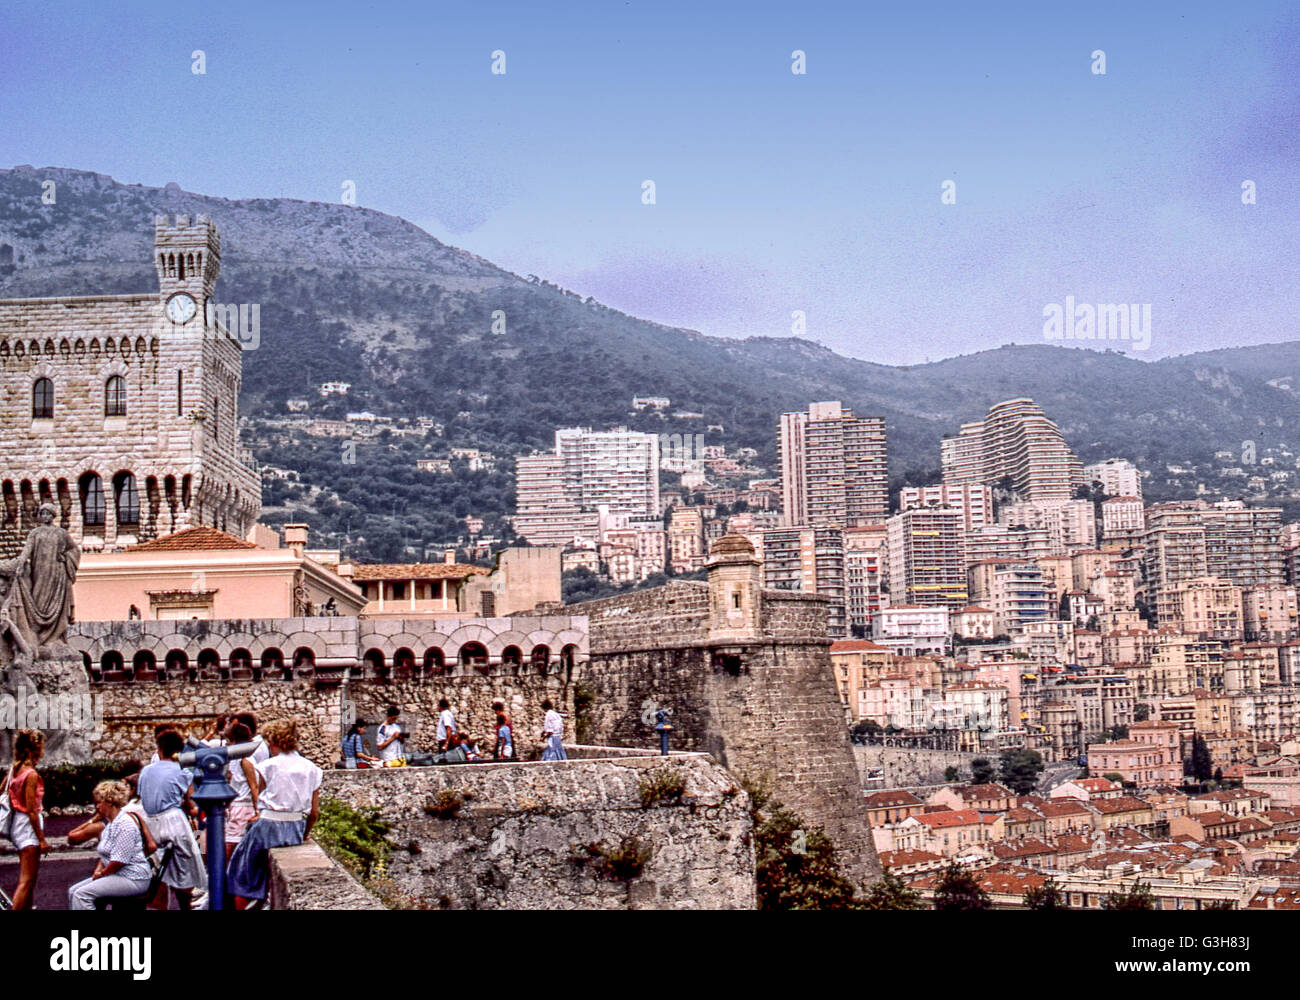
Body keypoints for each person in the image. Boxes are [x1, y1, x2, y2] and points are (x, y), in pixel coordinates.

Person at [226, 719, 322, 909]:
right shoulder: (312, 769)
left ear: (274, 742)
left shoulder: (268, 766)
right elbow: (313, 813)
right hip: (294, 826)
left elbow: (260, 797)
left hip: (268, 825)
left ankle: (247, 902)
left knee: (242, 870)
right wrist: (304, 833)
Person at [138, 729, 206, 910]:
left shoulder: (145, 771)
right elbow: (190, 803)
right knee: (185, 865)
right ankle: (186, 905)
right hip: (173, 820)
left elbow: (143, 796)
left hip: (150, 820)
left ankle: (159, 906)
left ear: (159, 749)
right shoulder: (182, 772)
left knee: (156, 867)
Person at [66, 780, 154, 910]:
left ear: (109, 801)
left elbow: (119, 861)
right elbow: (106, 854)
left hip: (133, 878)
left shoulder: (125, 824)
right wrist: (98, 869)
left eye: (98, 803)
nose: (96, 807)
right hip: (119, 875)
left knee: (81, 895)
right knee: (73, 891)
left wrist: (102, 874)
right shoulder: (111, 824)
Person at [4, 730, 50, 909]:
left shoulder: (14, 769)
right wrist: (42, 839)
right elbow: (31, 810)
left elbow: (4, 790)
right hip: (27, 827)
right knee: (26, 881)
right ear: (35, 749)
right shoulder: (30, 774)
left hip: (17, 824)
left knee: (30, 882)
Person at [223, 722, 259, 860]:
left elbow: (253, 786)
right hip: (235, 806)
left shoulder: (246, 760)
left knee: (231, 845)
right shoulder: (235, 759)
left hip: (242, 806)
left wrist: (258, 811)